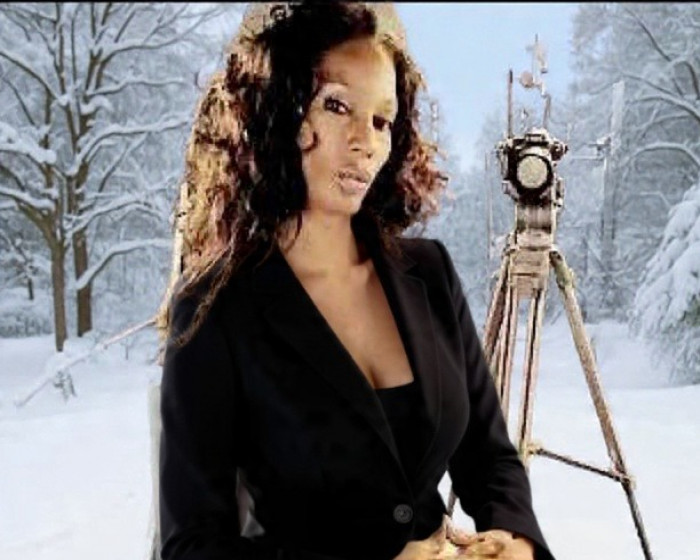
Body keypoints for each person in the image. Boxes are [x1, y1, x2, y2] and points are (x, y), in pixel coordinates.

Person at [155, 2, 556, 559]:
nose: (365, 142)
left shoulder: (429, 272)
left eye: (381, 121)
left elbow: (490, 457)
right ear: (278, 109)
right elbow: (192, 546)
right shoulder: (214, 308)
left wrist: (517, 540)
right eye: (337, 105)